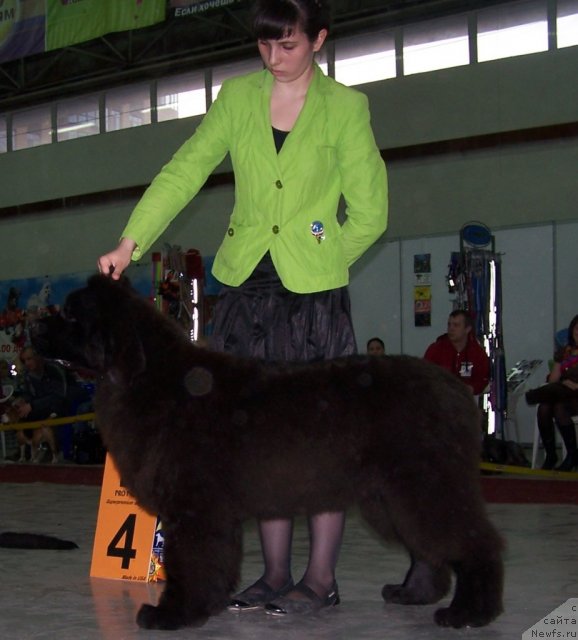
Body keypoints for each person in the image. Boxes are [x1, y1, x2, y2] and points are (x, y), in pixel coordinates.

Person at [97, 0, 388, 617]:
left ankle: (320, 579)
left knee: (319, 439)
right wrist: (131, 240)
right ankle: (274, 573)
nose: (274, 58)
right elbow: (186, 170)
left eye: (288, 45)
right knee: (252, 440)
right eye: (264, 46)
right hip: (243, 288)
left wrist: (323, 251)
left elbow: (370, 211)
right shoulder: (235, 99)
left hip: (313, 297)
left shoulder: (347, 108)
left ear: (319, 40)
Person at [533, 314, 578, 471]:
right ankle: (551, 455)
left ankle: (572, 455)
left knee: (559, 408)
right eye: (576, 329)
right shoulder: (565, 351)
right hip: (564, 392)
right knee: (544, 407)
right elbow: (554, 378)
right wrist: (561, 382)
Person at [424, 309, 490, 396]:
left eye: (456, 325)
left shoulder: (477, 353)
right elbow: (424, 375)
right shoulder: (435, 349)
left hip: (466, 401)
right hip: (439, 400)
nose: (451, 329)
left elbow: (483, 379)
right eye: (449, 325)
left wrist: (472, 388)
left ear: (467, 329)